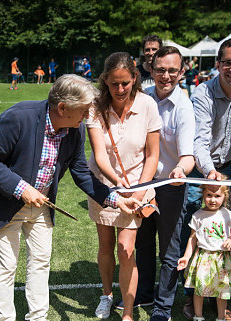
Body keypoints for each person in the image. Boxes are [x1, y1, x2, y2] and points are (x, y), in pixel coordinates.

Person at [0, 74, 142, 321]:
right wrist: (21, 188)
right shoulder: (19, 117)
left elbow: (82, 174)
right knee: (6, 267)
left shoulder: (75, 129)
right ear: (63, 107)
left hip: (42, 204)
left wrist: (117, 200)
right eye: (83, 111)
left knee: (41, 263)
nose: (87, 116)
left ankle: (38, 317)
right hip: (7, 201)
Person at [181, 38, 231, 321]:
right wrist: (211, 173)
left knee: (226, 232)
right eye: (227, 62)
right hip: (203, 168)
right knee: (195, 230)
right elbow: (199, 140)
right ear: (218, 64)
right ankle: (192, 297)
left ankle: (219, 295)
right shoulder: (202, 93)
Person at [86, 52, 161, 321]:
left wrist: (139, 191)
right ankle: (107, 295)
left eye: (125, 83)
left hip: (138, 186)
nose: (120, 89)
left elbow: (153, 155)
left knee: (126, 247)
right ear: (105, 80)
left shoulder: (148, 105)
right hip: (104, 186)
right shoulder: (95, 107)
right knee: (105, 245)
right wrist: (117, 186)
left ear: (135, 78)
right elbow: (100, 155)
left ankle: (128, 312)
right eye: (114, 83)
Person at [124, 46, 195, 321]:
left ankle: (163, 308)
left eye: (172, 70)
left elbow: (187, 155)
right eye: (161, 70)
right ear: (151, 71)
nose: (166, 76)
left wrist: (179, 170)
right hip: (142, 184)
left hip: (170, 186)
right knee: (142, 243)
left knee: (169, 248)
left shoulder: (184, 107)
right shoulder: (142, 99)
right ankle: (143, 294)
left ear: (181, 72)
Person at [178, 181, 231, 321]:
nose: (212, 200)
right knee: (199, 289)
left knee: (222, 290)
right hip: (203, 258)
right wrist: (186, 257)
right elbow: (192, 238)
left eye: (217, 196)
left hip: (222, 258)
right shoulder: (197, 215)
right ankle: (198, 316)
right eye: (209, 195)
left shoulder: (227, 214)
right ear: (203, 195)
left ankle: (221, 316)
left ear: (224, 197)